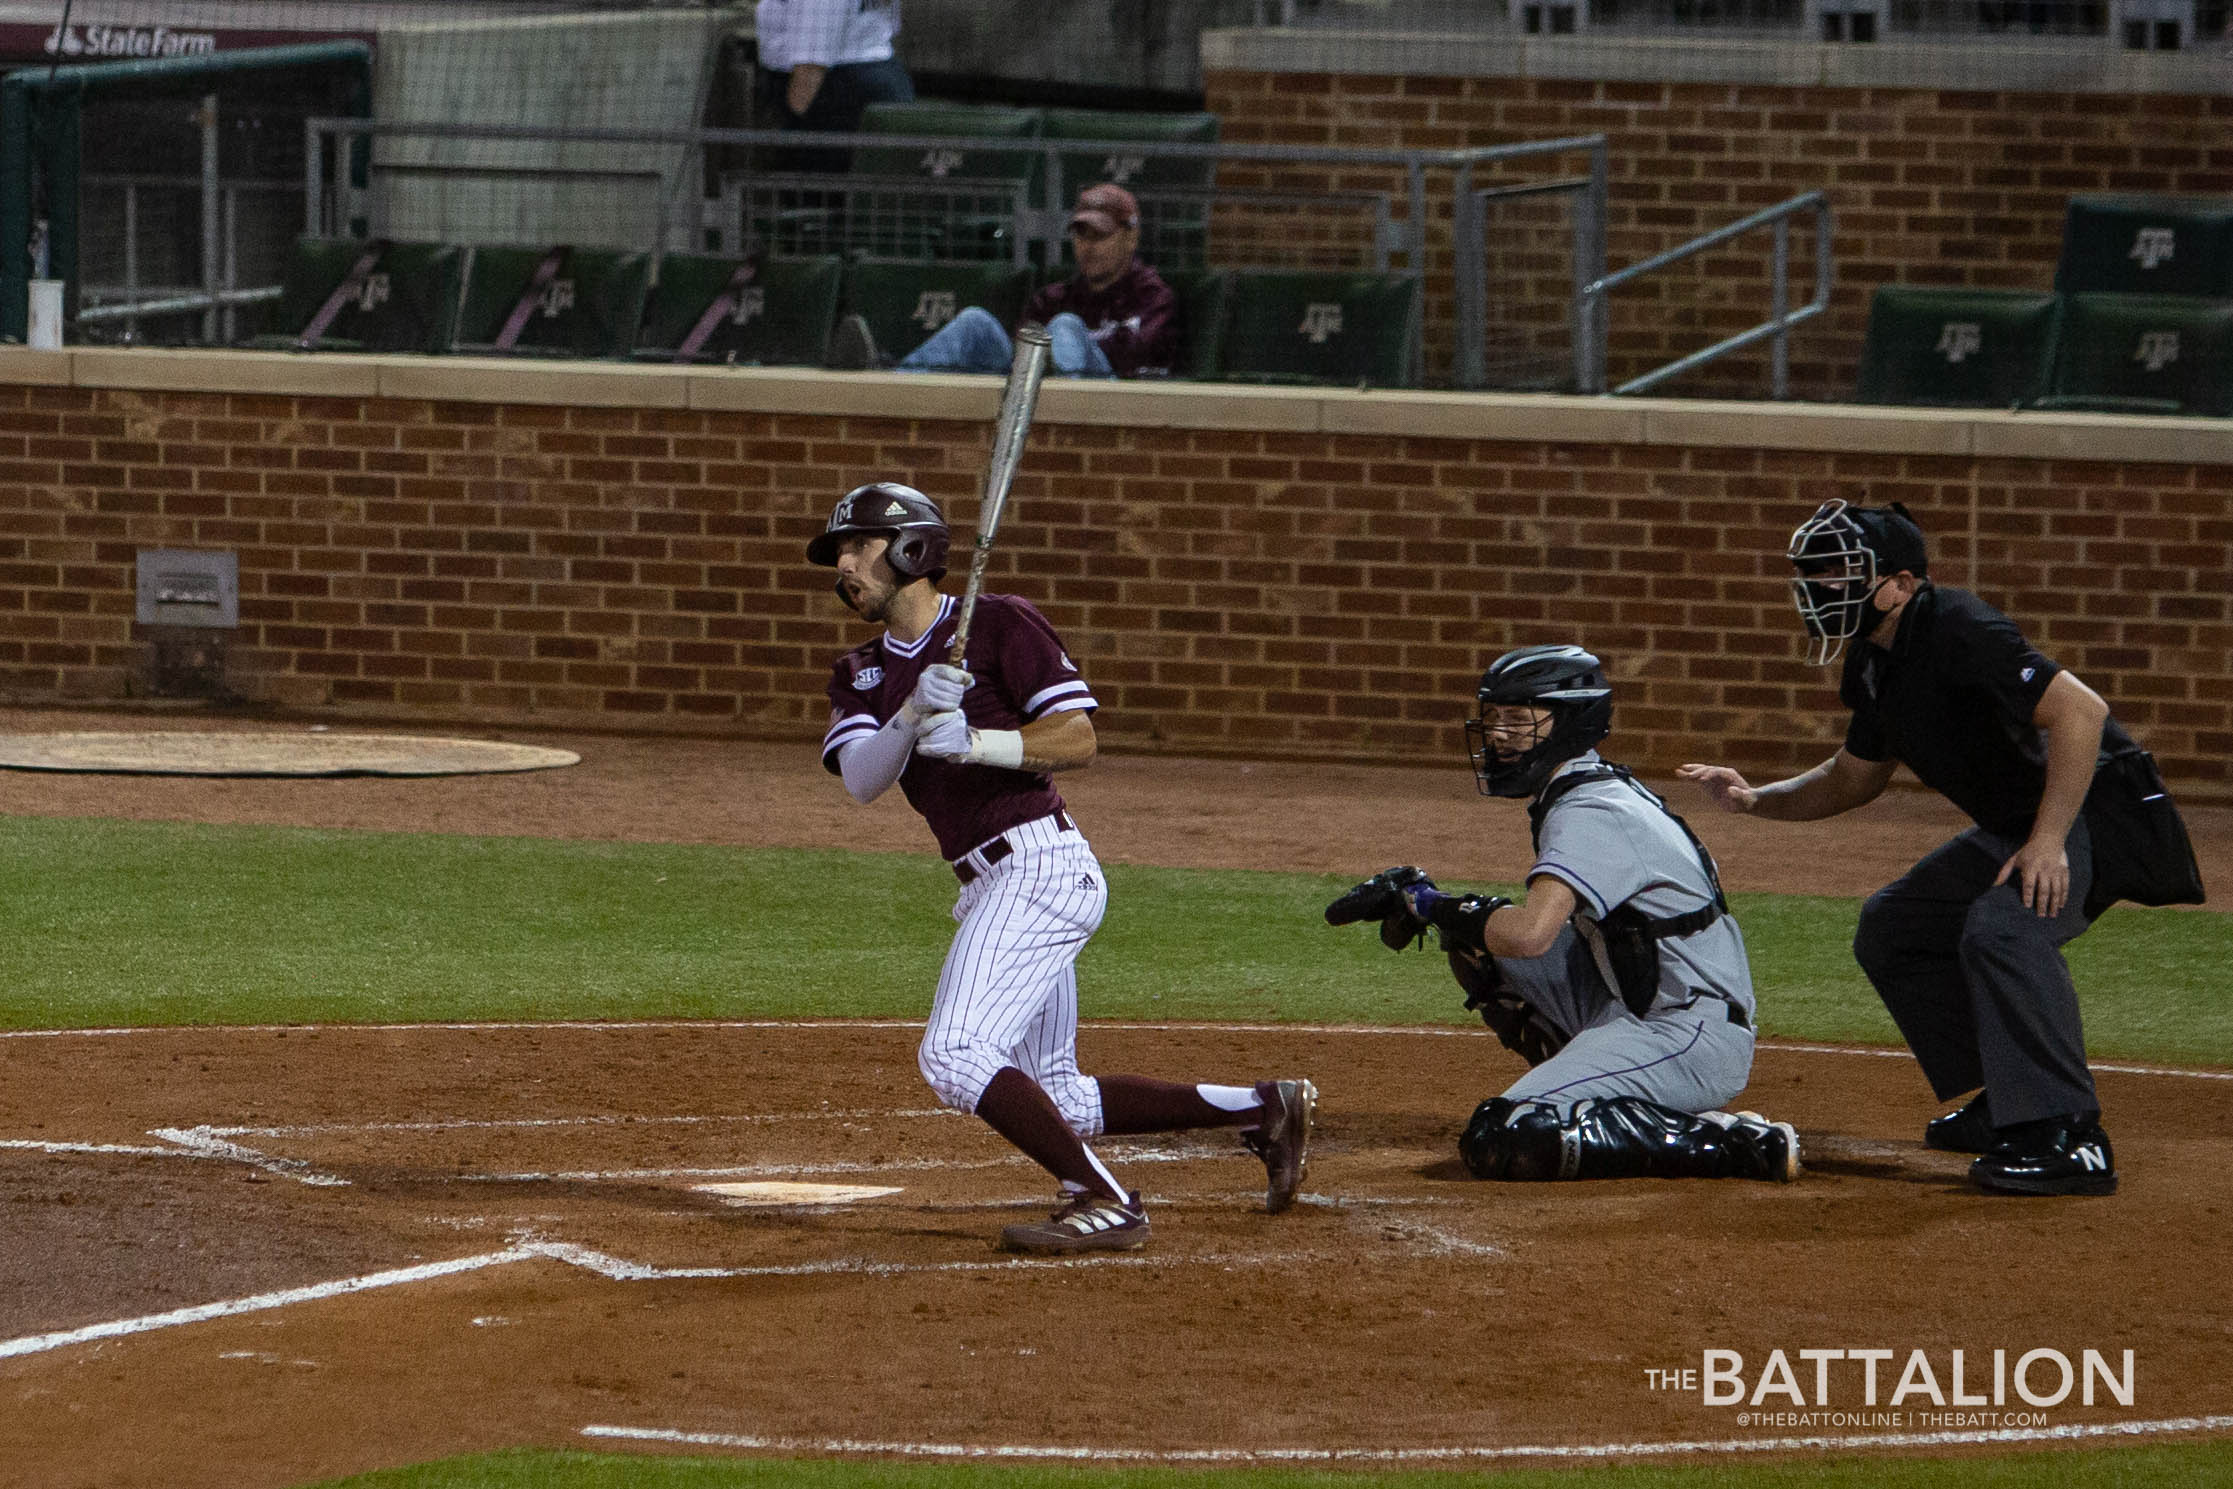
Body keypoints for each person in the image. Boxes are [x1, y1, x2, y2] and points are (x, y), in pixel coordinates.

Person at [809, 480, 1315, 1253]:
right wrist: (912, 714)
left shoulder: (1001, 623)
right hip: (987, 885)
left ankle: (1102, 1197)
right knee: (1060, 1097)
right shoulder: (862, 670)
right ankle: (1262, 1106)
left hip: (1038, 868)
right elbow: (859, 779)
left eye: (858, 546)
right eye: (839, 552)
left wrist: (984, 743)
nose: (844, 564)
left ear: (913, 550)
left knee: (953, 1054)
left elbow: (1077, 738)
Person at [1678, 498, 2119, 1197]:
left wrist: (2046, 842)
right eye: (1813, 573)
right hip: (2027, 822)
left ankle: (2067, 1133)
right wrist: (1755, 798)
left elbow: (2080, 711)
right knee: (1895, 927)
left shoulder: (1957, 627)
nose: (1818, 586)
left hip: (2097, 813)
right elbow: (1852, 777)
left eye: (1836, 571)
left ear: (1902, 583)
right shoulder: (1876, 662)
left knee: (2001, 929)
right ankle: (2012, 1101)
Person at [1327, 644, 1800, 1185]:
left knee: (1506, 1134)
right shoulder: (1589, 787)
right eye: (1496, 718)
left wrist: (1429, 902)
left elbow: (1530, 935)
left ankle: (1738, 1144)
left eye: (1519, 719)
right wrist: (1438, 909)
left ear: (1570, 721)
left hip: (1684, 1032)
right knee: (1474, 940)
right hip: (1641, 1007)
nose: (1501, 735)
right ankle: (1600, 1090)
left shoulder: (1590, 812)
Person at [830, 184, 1179, 378]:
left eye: (1100, 235)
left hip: (1103, 400)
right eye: (1081, 235)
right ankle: (894, 383)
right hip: (1030, 397)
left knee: (1064, 327)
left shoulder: (1151, 296)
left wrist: (1073, 344)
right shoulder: (1053, 297)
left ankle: (1060, 374)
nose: (1088, 247)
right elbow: (1017, 358)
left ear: (1130, 238)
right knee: (975, 322)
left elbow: (1136, 354)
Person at [754, 0, 915, 173]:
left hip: (836, 98)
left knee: (819, 193)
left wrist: (790, 131)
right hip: (864, 82)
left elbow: (811, 65)